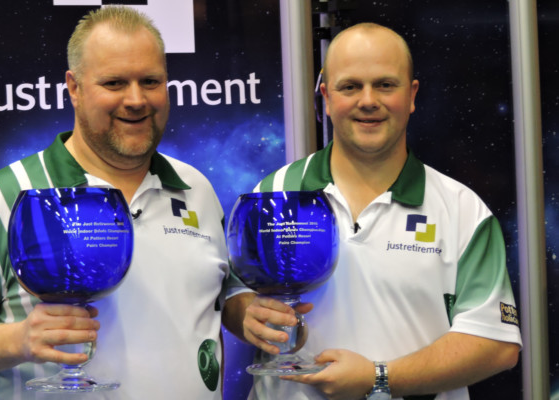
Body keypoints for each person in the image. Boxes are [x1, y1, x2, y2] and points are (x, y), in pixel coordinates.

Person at [0, 6, 229, 399]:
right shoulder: (6, 196)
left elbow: (221, 302)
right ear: (75, 87)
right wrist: (19, 339)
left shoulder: (196, 187)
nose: (136, 99)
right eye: (114, 83)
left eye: (150, 81)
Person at [222, 22, 522, 400]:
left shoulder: (461, 210)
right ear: (326, 98)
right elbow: (232, 291)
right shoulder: (273, 193)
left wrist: (379, 377)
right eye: (350, 86)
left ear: (411, 95)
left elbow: (496, 344)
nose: (368, 100)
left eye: (385, 84)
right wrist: (247, 313)